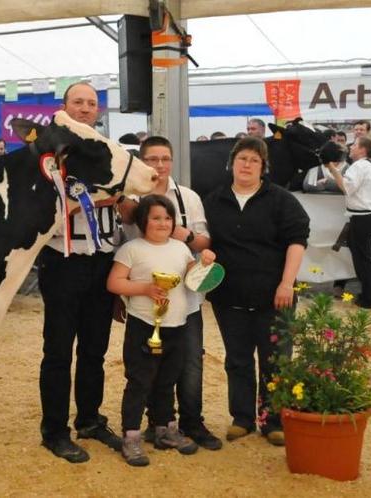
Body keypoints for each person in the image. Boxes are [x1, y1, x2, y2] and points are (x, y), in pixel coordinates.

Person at [203, 136, 310, 446]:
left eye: (254, 160)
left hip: (275, 295)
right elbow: (205, 241)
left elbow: (297, 241)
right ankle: (242, 418)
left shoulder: (282, 200)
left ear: (264, 168)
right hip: (229, 297)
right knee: (237, 360)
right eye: (242, 159)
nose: (247, 165)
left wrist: (286, 283)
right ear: (231, 163)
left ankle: (273, 419)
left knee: (276, 359)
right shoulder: (214, 200)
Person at [119, 136, 222, 451]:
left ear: (172, 161)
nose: (159, 165)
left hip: (185, 303)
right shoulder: (130, 198)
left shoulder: (188, 197)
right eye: (152, 159)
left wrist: (186, 236)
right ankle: (149, 426)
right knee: (146, 368)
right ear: (141, 161)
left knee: (188, 363)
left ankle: (190, 421)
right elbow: (121, 243)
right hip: (144, 304)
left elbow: (204, 241)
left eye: (165, 159)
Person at [38, 82, 122, 464]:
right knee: (58, 350)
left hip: (103, 258)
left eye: (91, 103)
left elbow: (127, 199)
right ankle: (54, 430)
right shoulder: (46, 155)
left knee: (95, 349)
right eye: (78, 102)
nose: (86, 109)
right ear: (64, 107)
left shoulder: (111, 152)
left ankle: (90, 419)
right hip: (62, 259)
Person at [107, 194, 215, 466]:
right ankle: (131, 435)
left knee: (168, 379)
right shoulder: (132, 249)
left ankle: (164, 428)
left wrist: (205, 263)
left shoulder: (180, 249)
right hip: (143, 325)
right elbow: (114, 283)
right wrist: (144, 288)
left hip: (176, 325)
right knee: (140, 381)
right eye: (156, 217)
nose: (163, 223)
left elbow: (195, 279)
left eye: (167, 218)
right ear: (143, 220)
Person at [324, 137, 371, 309]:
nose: (351, 147)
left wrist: (331, 168)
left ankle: (367, 299)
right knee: (360, 254)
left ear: (363, 150)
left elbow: (346, 188)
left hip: (364, 217)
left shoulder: (358, 166)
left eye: (355, 145)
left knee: (362, 258)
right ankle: (367, 294)